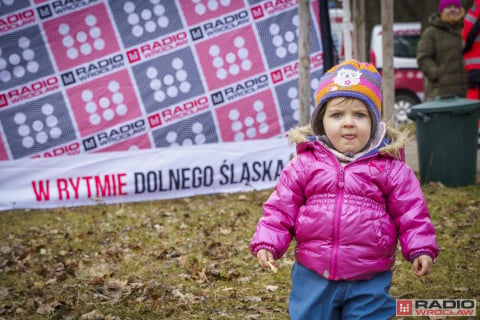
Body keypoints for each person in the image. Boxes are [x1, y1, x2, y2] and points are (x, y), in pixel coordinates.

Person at [250, 59, 439, 319]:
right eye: (337, 115)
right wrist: (268, 242)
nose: (348, 123)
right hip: (313, 272)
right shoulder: (305, 164)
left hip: (368, 275)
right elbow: (280, 208)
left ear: (373, 121)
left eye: (360, 115)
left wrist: (420, 248)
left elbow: (412, 213)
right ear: (321, 122)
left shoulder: (390, 168)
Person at [417, 0, 468, 101]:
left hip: (470, 90)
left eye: (455, 7)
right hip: (444, 93)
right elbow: (423, 57)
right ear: (441, 11)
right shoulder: (431, 33)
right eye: (448, 7)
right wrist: (437, 75)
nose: (452, 10)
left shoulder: (469, 29)